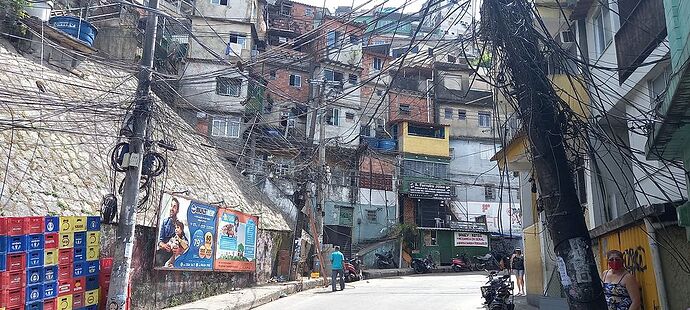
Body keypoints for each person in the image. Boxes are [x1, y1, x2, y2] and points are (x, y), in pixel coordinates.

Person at [157, 198, 180, 266]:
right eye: (171, 206)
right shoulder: (165, 222)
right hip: (163, 254)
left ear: (177, 210)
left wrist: (177, 248)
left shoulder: (180, 225)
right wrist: (164, 245)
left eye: (174, 206)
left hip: (174, 256)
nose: (172, 208)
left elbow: (183, 243)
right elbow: (160, 241)